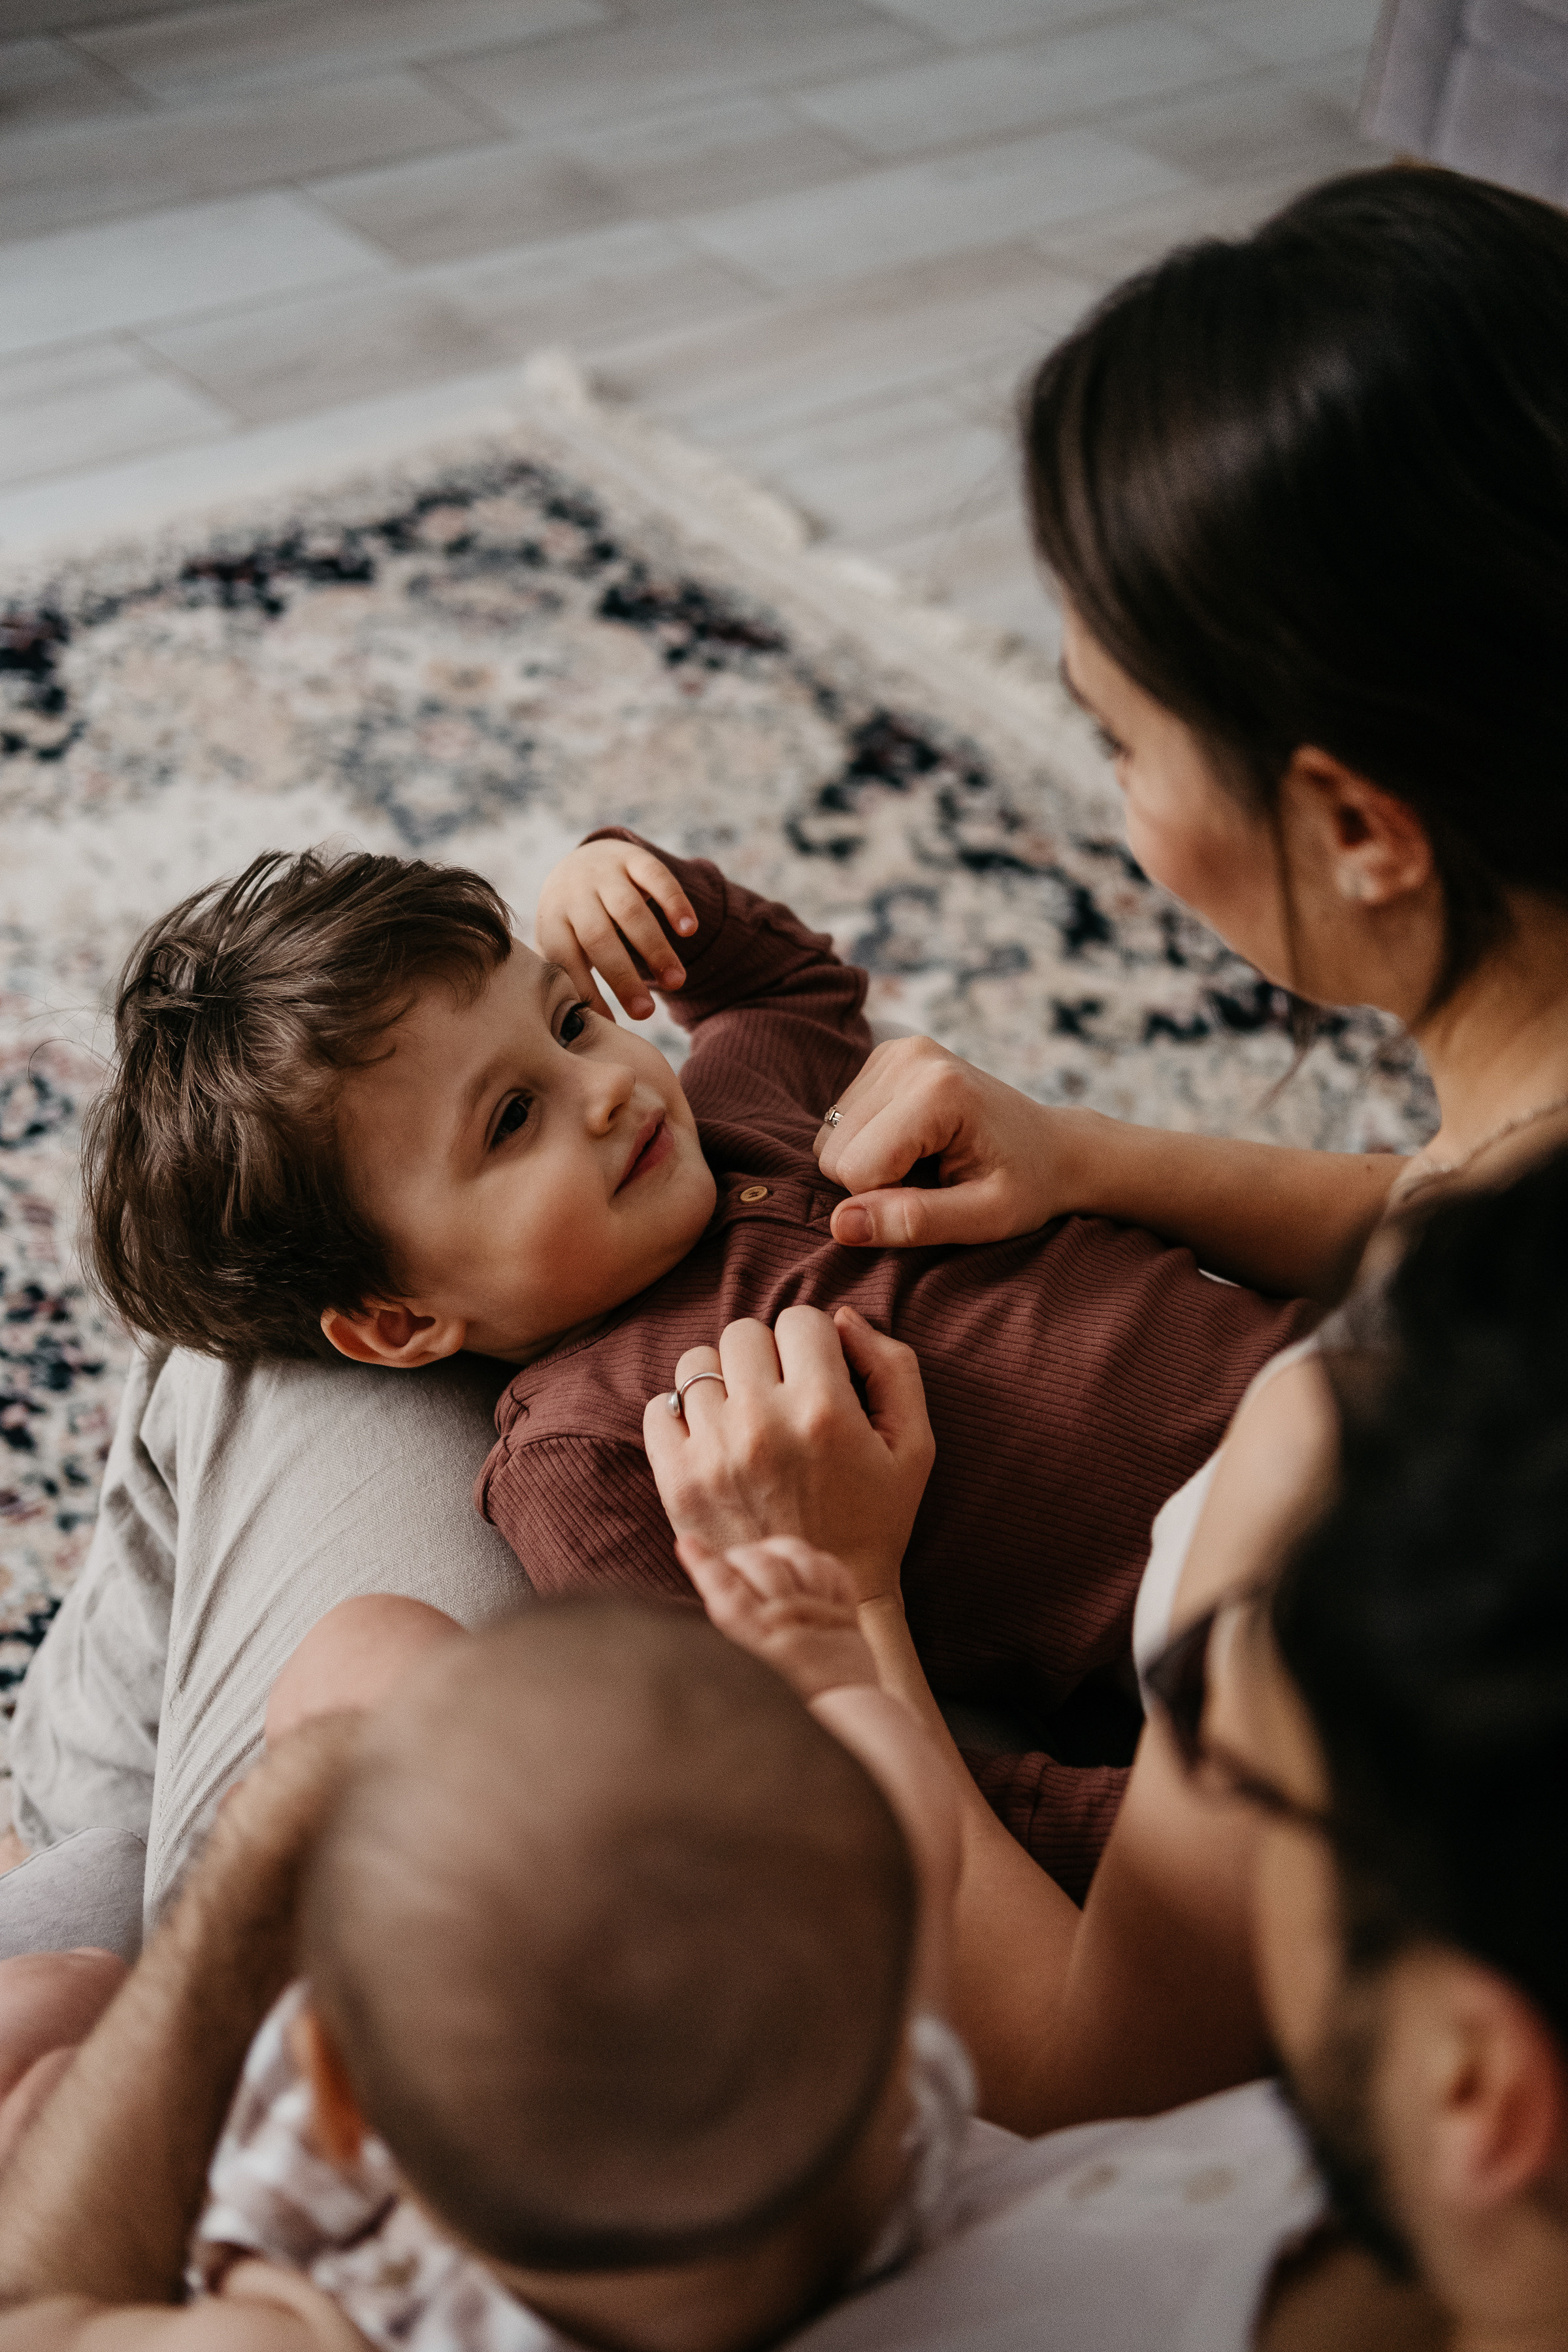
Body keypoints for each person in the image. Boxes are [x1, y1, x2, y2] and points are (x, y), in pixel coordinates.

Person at [10, 1134, 1563, 2351]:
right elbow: (901, 1823)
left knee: (245, 1383)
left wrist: (292, 1836)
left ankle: (87, 1861)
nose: (1179, 1771)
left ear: (1483, 2092)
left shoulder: (333, 2298)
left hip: (292, 2168)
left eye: (1214, 1730)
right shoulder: (880, 2114)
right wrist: (839, 1629)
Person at [657, 161, 1568, 2133]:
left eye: (1123, 747)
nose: (1126, 823)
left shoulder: (1344, 1474)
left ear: (1358, 830)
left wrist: (828, 1621)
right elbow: (1462, 1213)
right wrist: (1090, 1158)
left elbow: (1084, 2073)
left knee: (344, 1607)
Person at [8, 824, 1311, 1924]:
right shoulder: (587, 1457)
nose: (610, 1091)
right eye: (511, 1120)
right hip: (1267, 1635)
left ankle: (45, 1871)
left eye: (572, 1021)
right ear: (398, 1328)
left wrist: (642, 891)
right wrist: (1141, 1852)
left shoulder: (741, 1095)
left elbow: (790, 990)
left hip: (1351, 1373)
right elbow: (798, 1767)